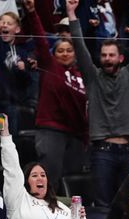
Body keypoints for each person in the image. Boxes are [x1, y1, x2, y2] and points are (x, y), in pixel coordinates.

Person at [67, 0, 129, 208]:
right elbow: (79, 45)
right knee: (102, 206)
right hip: (102, 152)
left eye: (111, 55)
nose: (107, 59)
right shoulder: (93, 77)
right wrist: (70, 12)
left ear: (120, 57)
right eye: (103, 55)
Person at [22, 0, 89, 191]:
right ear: (54, 53)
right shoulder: (50, 66)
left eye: (69, 50)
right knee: (51, 179)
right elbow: (40, 39)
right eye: (60, 50)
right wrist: (33, 12)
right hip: (51, 130)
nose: (65, 54)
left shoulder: (82, 74)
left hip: (76, 134)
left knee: (73, 181)